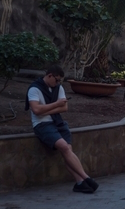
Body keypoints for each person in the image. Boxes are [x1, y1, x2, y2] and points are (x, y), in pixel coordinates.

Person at [25, 65, 99, 193]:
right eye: (57, 79)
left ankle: (79, 183)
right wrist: (56, 105)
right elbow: (36, 110)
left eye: (59, 80)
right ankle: (86, 178)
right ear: (50, 76)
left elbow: (64, 108)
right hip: (42, 125)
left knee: (68, 151)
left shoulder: (58, 88)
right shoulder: (34, 89)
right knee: (64, 147)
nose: (58, 83)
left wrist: (47, 109)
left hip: (58, 122)